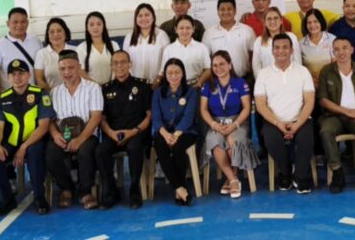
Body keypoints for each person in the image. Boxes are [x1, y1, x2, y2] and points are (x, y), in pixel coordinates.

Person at [0, 60, 54, 215]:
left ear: (29, 75)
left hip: (34, 141)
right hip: (11, 142)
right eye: (13, 74)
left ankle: (39, 197)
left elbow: (44, 125)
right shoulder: (2, 98)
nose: (17, 77)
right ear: (8, 77)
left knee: (34, 153)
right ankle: (7, 200)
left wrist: (23, 147)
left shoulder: (40, 93)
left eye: (21, 73)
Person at [254, 33, 316, 194]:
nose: (281, 51)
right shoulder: (263, 74)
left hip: (300, 119)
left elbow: (309, 101)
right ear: (272, 51)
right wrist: (278, 123)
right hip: (274, 121)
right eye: (277, 48)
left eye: (285, 47)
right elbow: (260, 105)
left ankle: (301, 177)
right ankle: (286, 172)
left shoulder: (303, 72)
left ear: (291, 50)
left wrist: (297, 124)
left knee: (306, 139)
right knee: (271, 139)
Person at [317, 37, 355, 193]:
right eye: (336, 49)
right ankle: (337, 171)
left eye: (344, 48)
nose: (341, 52)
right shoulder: (326, 71)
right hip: (334, 116)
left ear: (352, 50)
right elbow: (323, 100)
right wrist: (347, 111)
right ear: (333, 51)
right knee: (326, 131)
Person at [45, 50, 104, 210]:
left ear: (79, 67)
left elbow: (96, 116)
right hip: (62, 135)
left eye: (70, 68)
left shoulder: (93, 88)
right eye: (63, 69)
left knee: (86, 152)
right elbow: (49, 120)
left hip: (86, 135)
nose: (67, 72)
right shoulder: (54, 92)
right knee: (51, 153)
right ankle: (67, 188)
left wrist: (80, 139)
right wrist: (55, 134)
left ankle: (85, 192)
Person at [96, 50, 152, 209]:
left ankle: (134, 190)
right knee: (100, 151)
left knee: (135, 147)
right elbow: (102, 118)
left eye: (123, 62)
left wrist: (133, 131)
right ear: (111, 66)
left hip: (137, 133)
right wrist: (111, 133)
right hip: (113, 135)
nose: (119, 66)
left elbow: (149, 116)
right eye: (115, 63)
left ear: (129, 64)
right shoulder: (105, 89)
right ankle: (111, 189)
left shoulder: (142, 86)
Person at [199, 51, 259, 199]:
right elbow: (203, 109)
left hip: (237, 121)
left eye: (222, 64)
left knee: (233, 141)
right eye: (215, 65)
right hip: (216, 123)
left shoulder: (240, 83)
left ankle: (230, 178)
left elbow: (246, 108)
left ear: (230, 65)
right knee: (215, 142)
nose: (218, 68)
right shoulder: (208, 85)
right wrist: (214, 125)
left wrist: (235, 125)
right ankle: (233, 179)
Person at [152, 58, 199, 205]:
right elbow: (156, 117)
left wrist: (176, 134)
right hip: (163, 131)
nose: (173, 76)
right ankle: (180, 188)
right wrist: (166, 134)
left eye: (177, 72)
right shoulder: (158, 92)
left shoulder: (190, 92)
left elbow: (188, 117)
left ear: (183, 73)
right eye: (170, 73)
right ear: (165, 75)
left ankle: (179, 188)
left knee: (179, 147)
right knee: (160, 146)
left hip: (186, 131)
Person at [0, 7, 43, 95]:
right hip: (11, 98)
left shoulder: (36, 41)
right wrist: (0, 96)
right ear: (8, 23)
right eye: (15, 22)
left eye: (23, 22)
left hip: (34, 95)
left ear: (27, 23)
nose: (19, 25)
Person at [202, 0, 257, 79]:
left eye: (229, 9)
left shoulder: (247, 30)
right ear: (218, 12)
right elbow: (205, 58)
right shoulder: (209, 33)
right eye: (222, 9)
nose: (226, 12)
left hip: (244, 79)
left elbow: (255, 54)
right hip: (218, 80)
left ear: (235, 11)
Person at [123, 3, 170, 85]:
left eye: (147, 15)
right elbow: (125, 60)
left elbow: (167, 59)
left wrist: (159, 78)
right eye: (140, 15)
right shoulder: (129, 37)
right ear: (136, 19)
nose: (143, 18)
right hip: (135, 83)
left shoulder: (161, 35)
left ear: (153, 17)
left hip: (157, 83)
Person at [160, 15, 211, 89]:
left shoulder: (202, 47)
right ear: (176, 29)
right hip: (176, 88)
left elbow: (208, 69)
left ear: (193, 29)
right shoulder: (168, 49)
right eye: (181, 28)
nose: (184, 31)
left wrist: (199, 83)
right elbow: (164, 71)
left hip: (197, 87)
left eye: (188, 28)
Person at [252, 7, 302, 79]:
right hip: (268, 83)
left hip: (290, 80)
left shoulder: (291, 37)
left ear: (281, 20)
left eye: (276, 18)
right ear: (264, 23)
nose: (272, 21)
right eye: (269, 19)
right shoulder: (258, 42)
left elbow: (298, 63)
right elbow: (256, 68)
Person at [34, 17, 79, 91]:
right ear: (47, 35)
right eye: (52, 32)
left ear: (65, 33)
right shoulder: (41, 54)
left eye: (59, 31)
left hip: (77, 96)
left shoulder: (76, 50)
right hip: (52, 97)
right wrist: (52, 95)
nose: (55, 34)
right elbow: (39, 80)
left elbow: (82, 74)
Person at [77, 11, 119, 86]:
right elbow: (81, 71)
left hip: (113, 87)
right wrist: (96, 86)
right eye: (91, 25)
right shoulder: (81, 48)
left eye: (99, 24)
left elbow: (119, 66)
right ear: (87, 28)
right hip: (91, 88)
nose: (95, 27)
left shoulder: (114, 45)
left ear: (104, 26)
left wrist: (112, 85)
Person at [299, 8, 336, 86]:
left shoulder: (332, 39)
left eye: (315, 21)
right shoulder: (301, 44)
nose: (312, 25)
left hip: (330, 81)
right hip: (310, 83)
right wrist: (312, 80)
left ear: (321, 22)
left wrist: (325, 81)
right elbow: (300, 67)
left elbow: (335, 64)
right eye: (309, 22)